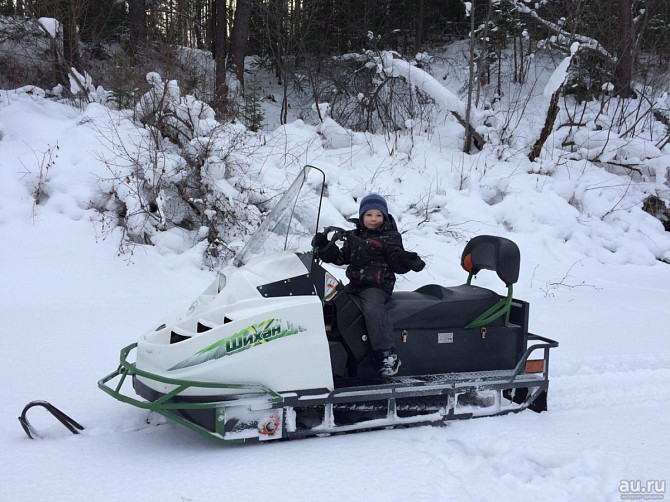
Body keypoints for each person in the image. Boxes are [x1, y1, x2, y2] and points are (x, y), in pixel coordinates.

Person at [312, 193, 426, 377]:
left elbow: (396, 257)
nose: (373, 219)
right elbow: (342, 257)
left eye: (378, 215)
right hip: (356, 284)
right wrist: (325, 246)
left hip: (377, 286)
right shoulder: (354, 237)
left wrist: (407, 260)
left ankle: (387, 355)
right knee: (333, 302)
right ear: (362, 216)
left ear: (385, 217)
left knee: (372, 308)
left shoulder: (390, 237)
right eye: (369, 215)